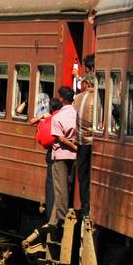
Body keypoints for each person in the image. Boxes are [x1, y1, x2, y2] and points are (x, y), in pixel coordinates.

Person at [47, 86, 79, 233]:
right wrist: (76, 147)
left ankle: (61, 220)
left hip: (60, 156)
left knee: (61, 189)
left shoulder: (58, 117)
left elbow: (59, 137)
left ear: (61, 99)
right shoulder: (78, 114)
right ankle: (59, 217)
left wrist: (72, 146)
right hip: (75, 157)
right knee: (71, 185)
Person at [71, 55, 96, 215]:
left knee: (83, 175)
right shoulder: (98, 98)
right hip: (93, 140)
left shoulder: (78, 98)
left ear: (86, 83)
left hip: (81, 142)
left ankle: (85, 206)